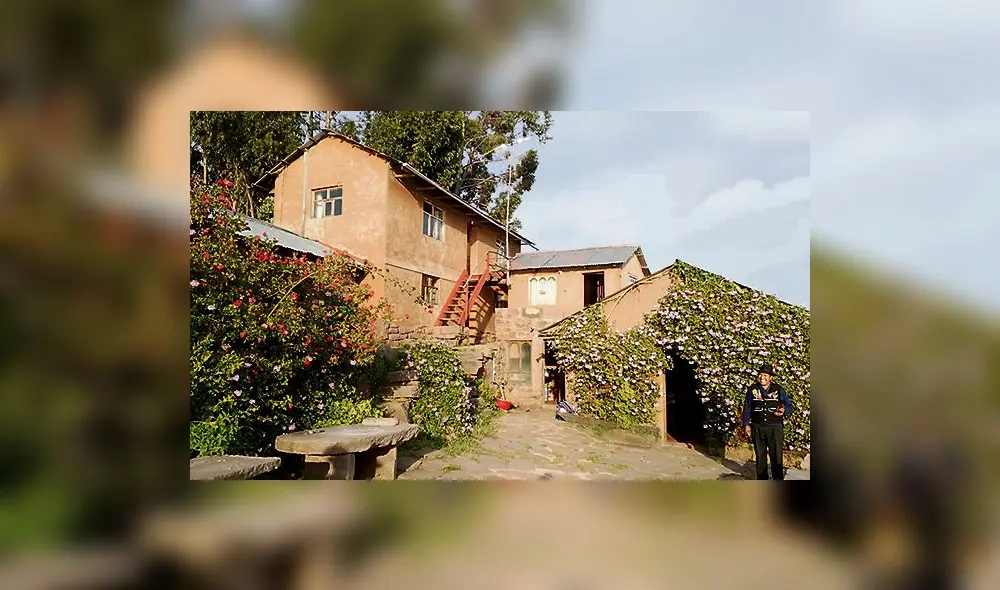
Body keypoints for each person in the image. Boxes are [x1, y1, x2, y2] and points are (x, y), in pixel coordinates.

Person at [741, 363, 793, 480]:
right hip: (757, 427)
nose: (762, 377)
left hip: (775, 428)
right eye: (760, 375)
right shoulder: (752, 389)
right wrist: (746, 424)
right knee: (760, 456)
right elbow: (747, 407)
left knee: (776, 457)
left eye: (765, 375)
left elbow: (789, 406)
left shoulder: (778, 389)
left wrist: (783, 411)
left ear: (770, 377)